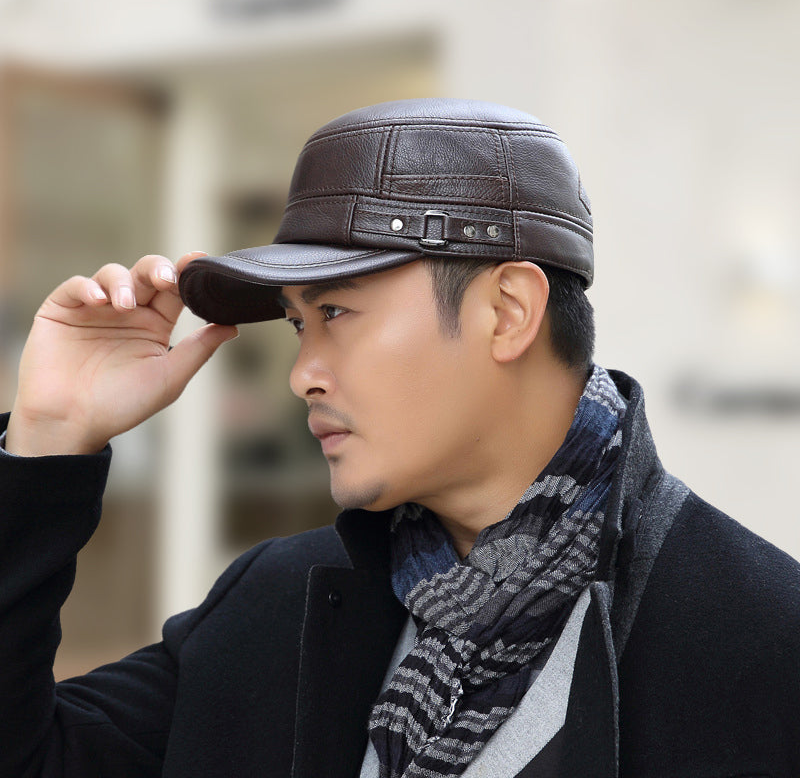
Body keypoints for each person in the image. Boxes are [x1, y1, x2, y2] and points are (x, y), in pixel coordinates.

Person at [1, 98, 799, 778]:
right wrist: (49, 435)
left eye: (336, 312)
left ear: (507, 312)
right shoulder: (276, 602)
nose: (301, 375)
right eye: (298, 324)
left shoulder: (758, 642)